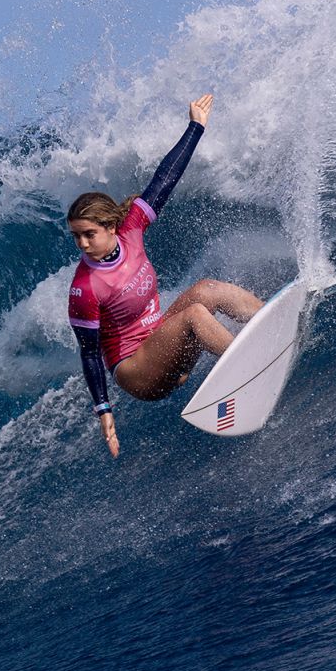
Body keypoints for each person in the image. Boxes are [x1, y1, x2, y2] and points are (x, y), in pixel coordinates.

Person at [67, 94, 264, 458]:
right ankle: (249, 366)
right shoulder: (85, 287)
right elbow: (90, 354)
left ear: (111, 227)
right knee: (193, 315)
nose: (81, 243)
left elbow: (165, 178)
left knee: (207, 290)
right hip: (138, 372)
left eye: (88, 234)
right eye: (76, 236)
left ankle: (271, 321)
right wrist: (104, 412)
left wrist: (196, 127)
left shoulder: (132, 229)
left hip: (162, 342)